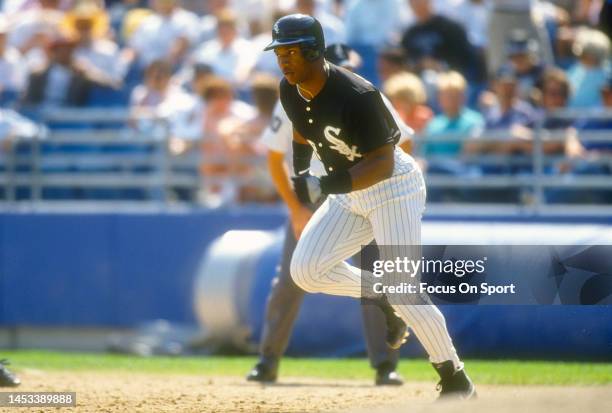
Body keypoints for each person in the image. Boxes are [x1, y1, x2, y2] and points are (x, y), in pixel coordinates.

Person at [263, 14, 475, 399]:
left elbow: (384, 162)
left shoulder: (357, 94)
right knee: (306, 270)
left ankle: (455, 377)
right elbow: (298, 127)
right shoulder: (289, 88)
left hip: (394, 189)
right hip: (349, 192)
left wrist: (324, 184)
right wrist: (300, 175)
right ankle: (379, 294)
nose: (283, 60)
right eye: (279, 52)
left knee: (405, 290)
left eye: (291, 51)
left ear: (314, 50)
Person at [247, 43, 413, 386]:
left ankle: (386, 365)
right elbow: (275, 156)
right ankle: (268, 360)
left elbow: (402, 144)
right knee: (292, 276)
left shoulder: (366, 95)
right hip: (317, 198)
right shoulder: (296, 93)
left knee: (377, 272)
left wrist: (386, 187)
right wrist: (295, 208)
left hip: (368, 193)